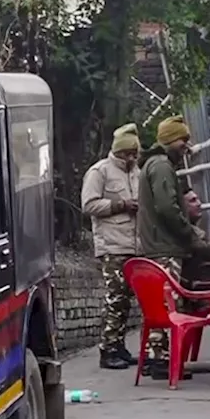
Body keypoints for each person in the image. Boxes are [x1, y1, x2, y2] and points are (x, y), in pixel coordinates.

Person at [138, 115, 196, 380]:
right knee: (168, 302)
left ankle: (154, 357)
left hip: (155, 243)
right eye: (183, 139)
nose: (187, 145)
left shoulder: (152, 164)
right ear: (171, 140)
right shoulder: (162, 166)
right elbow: (167, 207)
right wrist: (187, 232)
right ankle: (161, 360)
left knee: (157, 303)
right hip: (165, 245)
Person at [81, 123, 141, 370]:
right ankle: (107, 349)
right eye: (127, 153)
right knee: (114, 298)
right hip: (112, 245)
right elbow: (89, 205)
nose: (131, 158)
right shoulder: (100, 172)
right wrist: (120, 205)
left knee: (126, 300)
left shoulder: (136, 172)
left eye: (134, 154)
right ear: (117, 151)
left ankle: (119, 345)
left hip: (133, 244)